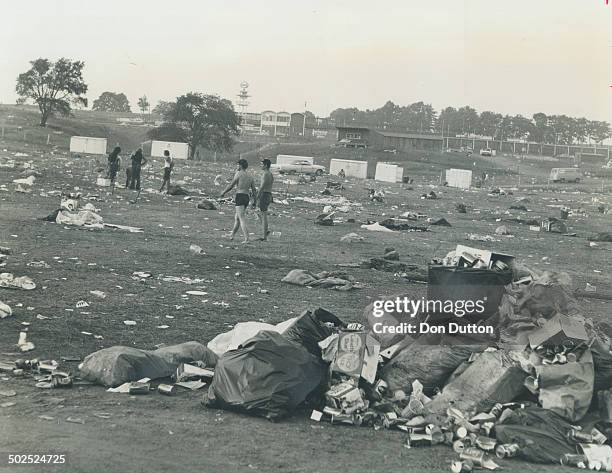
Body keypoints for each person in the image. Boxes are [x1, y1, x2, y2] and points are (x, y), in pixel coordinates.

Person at [220, 158, 257, 244]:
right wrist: (255, 201)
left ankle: (247, 238)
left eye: (237, 165)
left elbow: (231, 185)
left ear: (240, 165)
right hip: (246, 197)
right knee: (237, 217)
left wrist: (223, 192)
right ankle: (232, 235)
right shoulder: (250, 176)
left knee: (241, 218)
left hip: (240, 196)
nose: (236, 166)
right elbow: (254, 190)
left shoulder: (239, 174)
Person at [255, 158, 274, 241]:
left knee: (263, 214)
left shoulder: (265, 174)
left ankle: (264, 236)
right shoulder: (270, 174)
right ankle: (265, 230)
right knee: (260, 213)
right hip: (269, 194)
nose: (260, 166)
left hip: (264, 194)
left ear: (266, 165)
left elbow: (262, 187)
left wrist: (257, 196)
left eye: (262, 164)